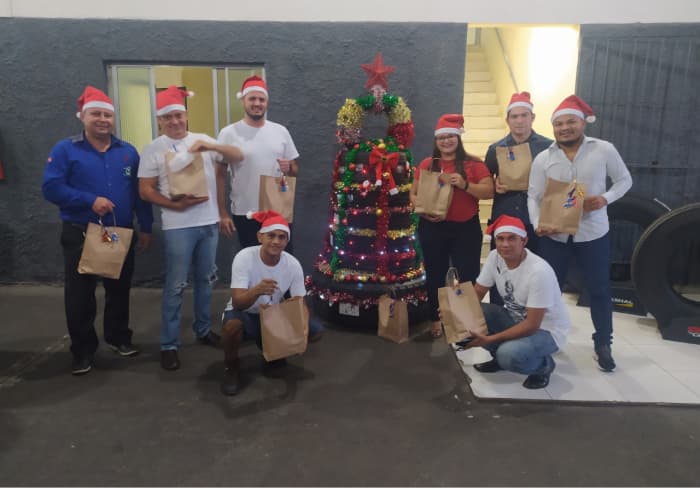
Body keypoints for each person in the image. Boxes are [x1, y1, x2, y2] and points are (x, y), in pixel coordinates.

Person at [42, 85, 153, 375]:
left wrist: (146, 226)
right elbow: (51, 188)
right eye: (96, 114)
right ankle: (82, 350)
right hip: (81, 231)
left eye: (107, 114)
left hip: (120, 232)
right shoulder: (65, 149)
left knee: (119, 291)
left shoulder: (128, 152)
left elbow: (138, 192)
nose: (102, 119)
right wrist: (89, 201)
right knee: (80, 296)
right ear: (83, 116)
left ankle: (118, 337)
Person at [138, 86, 244, 371]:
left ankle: (202, 329)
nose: (175, 121)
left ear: (186, 117)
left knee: (206, 280)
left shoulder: (202, 139)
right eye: (168, 117)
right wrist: (175, 206)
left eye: (179, 116)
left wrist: (210, 146)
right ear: (160, 120)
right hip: (178, 227)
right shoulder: (153, 149)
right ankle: (169, 344)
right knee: (175, 285)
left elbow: (237, 155)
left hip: (208, 223)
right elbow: (145, 190)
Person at [528, 95, 632, 372]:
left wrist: (606, 198)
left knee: (599, 289)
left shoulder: (604, 150)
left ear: (582, 122)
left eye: (570, 122)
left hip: (593, 232)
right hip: (554, 235)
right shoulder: (543, 158)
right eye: (559, 123)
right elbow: (534, 195)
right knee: (549, 291)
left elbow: (625, 180)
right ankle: (546, 339)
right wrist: (537, 222)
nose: (565, 128)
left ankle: (603, 344)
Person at [219, 211, 324, 396]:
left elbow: (300, 302)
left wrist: (302, 331)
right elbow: (238, 303)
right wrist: (256, 290)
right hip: (246, 313)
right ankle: (231, 367)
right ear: (260, 236)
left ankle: (272, 350)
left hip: (272, 315)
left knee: (315, 330)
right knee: (231, 327)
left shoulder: (292, 264)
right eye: (271, 235)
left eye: (282, 237)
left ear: (286, 241)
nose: (276, 241)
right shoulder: (244, 257)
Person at [461, 215, 570, 389]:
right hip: (517, 319)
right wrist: (456, 314)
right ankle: (499, 356)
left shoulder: (539, 271)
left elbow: (532, 325)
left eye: (512, 238)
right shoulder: (494, 257)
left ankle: (543, 366)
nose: (505, 244)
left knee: (509, 355)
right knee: (471, 313)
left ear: (524, 240)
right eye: (500, 239)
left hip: (546, 330)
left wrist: (490, 339)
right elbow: (479, 291)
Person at [410, 114, 494, 339]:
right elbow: (414, 192)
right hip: (432, 227)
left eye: (451, 137)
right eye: (442, 138)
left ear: (458, 138)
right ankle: (436, 320)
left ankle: (464, 323)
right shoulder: (429, 164)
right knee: (435, 274)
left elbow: (489, 191)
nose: (446, 141)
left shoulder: (474, 163)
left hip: (465, 228)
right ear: (436, 141)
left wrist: (465, 184)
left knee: (467, 276)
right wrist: (424, 210)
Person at [216, 75, 299, 253]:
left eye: (261, 99)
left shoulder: (280, 131)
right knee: (252, 262)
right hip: (245, 211)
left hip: (277, 209)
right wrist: (222, 213)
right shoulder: (228, 133)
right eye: (252, 98)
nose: (257, 103)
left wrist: (289, 168)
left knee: (282, 259)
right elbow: (220, 175)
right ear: (243, 101)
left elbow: (294, 170)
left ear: (266, 102)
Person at [484, 92, 553, 305]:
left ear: (532, 117)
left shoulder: (549, 147)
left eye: (524, 115)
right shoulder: (496, 149)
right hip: (505, 216)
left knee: (536, 269)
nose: (520, 121)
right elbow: (486, 181)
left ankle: (532, 315)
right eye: (514, 116)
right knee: (500, 269)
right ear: (508, 120)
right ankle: (497, 313)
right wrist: (494, 185)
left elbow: (565, 181)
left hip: (537, 219)